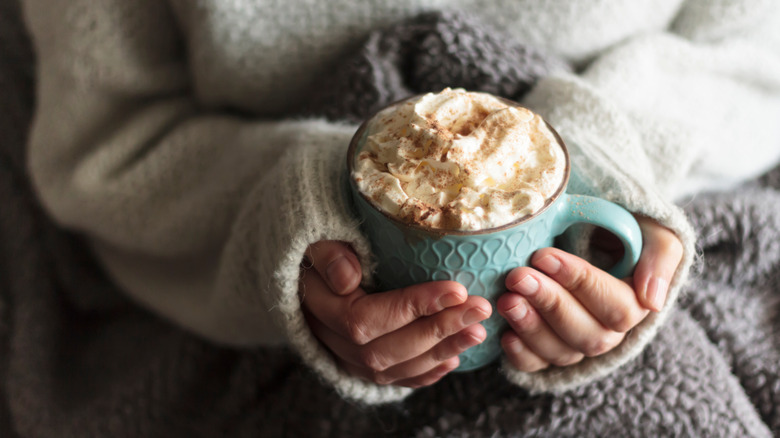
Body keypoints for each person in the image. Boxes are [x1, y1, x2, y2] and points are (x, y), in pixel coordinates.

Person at [21, 0, 780, 404]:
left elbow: (752, 47)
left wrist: (611, 165)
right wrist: (284, 220)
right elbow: (109, 139)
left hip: (670, 181)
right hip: (229, 285)